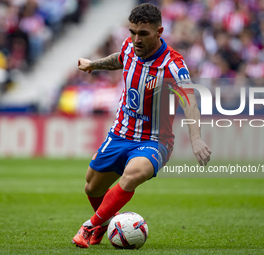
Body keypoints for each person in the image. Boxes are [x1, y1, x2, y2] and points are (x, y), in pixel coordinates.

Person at [72, 3, 212, 248]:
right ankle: (105, 223)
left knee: (133, 174)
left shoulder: (173, 65)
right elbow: (120, 58)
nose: (136, 39)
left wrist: (196, 138)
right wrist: (94, 64)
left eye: (143, 34)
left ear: (159, 32)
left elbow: (190, 102)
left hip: (155, 140)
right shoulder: (129, 47)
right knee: (92, 187)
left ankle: (90, 226)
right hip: (120, 133)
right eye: (132, 32)